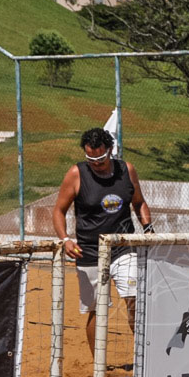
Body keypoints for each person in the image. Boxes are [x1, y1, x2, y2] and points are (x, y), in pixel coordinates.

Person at [52, 127, 153, 356]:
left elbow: (139, 203)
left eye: (100, 158)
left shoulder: (126, 170)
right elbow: (58, 211)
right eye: (91, 158)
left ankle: (144, 356)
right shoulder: (76, 174)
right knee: (97, 309)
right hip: (88, 250)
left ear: (110, 150)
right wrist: (65, 239)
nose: (96, 163)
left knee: (134, 299)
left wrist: (148, 229)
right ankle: (99, 365)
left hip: (122, 248)